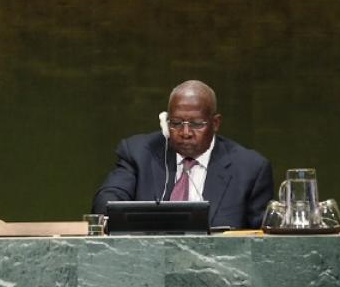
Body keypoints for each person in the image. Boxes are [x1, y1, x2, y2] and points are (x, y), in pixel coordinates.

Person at [92, 80, 273, 229]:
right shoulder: (139, 153)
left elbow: (262, 239)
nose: (185, 132)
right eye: (176, 123)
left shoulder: (250, 168)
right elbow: (107, 201)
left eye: (196, 124)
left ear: (215, 123)